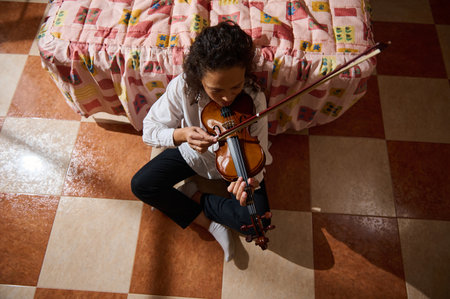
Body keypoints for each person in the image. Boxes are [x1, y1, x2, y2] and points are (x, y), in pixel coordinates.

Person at [131, 21, 272, 262]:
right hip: (194, 156)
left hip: (238, 167)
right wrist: (182, 135)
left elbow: (260, 148)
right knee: (141, 185)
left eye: (236, 86)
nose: (227, 98)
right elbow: (149, 130)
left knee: (258, 222)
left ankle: (197, 198)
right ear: (200, 79)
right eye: (216, 90)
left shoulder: (254, 97)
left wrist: (249, 182)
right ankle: (208, 222)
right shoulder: (183, 87)